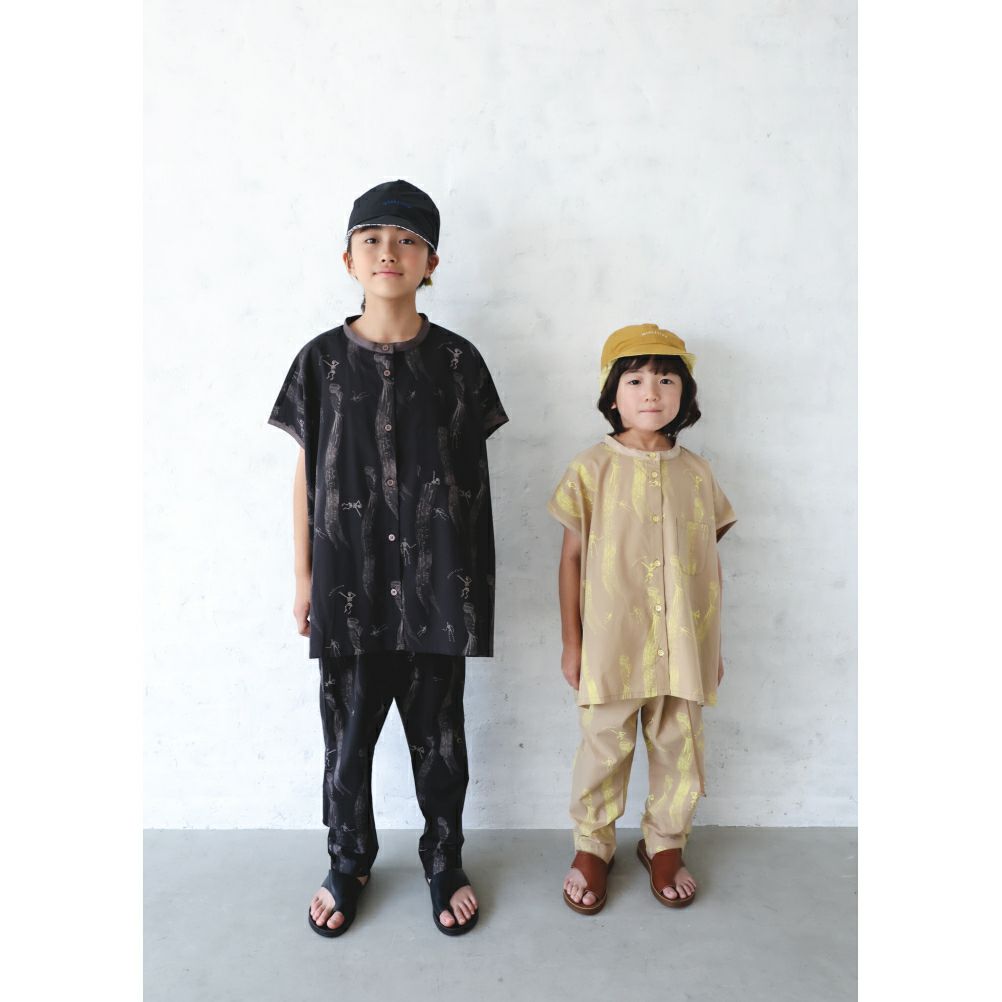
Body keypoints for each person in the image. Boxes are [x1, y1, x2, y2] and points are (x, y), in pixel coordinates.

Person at [269, 179, 507, 937]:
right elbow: (308, 476)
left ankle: (444, 859)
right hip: (351, 584)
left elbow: (472, 483)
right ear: (348, 258)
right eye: (371, 239)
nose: (388, 252)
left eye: (408, 240)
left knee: (441, 737)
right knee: (346, 741)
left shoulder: (460, 363)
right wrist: (304, 577)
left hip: (438, 584)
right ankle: (349, 860)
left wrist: (472, 589)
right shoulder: (319, 362)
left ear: (432, 261)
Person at [547, 323, 736, 914]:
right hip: (611, 642)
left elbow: (706, 563)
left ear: (685, 394)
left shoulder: (698, 474)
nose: (651, 391)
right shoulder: (590, 469)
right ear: (612, 394)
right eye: (635, 380)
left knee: (681, 746)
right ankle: (592, 846)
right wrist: (572, 644)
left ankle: (665, 844)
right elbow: (571, 559)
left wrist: (711, 646)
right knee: (603, 748)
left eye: (666, 379)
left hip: (684, 643)